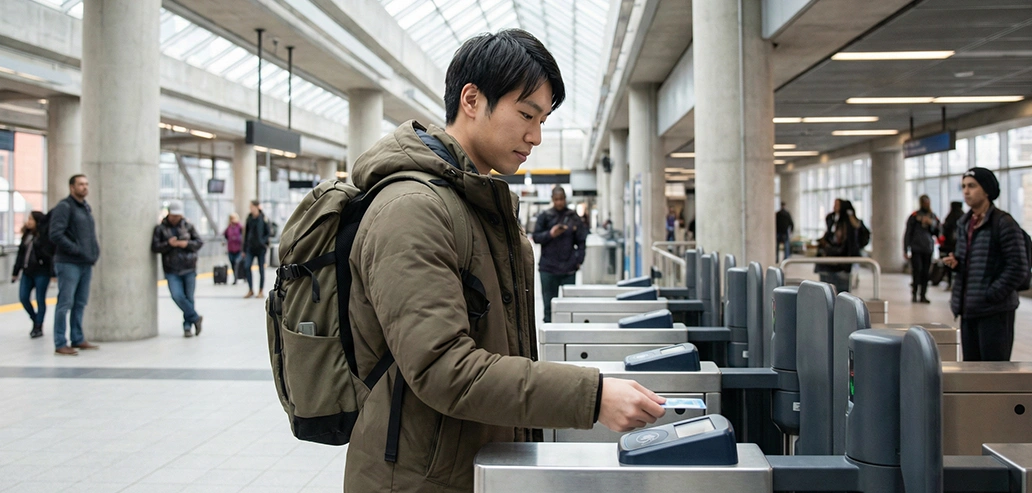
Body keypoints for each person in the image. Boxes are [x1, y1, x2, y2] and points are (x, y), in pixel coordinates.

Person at [344, 29, 665, 493]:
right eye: (526, 115)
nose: (536, 136)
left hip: (471, 463)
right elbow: (443, 368)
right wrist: (591, 397)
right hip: (418, 479)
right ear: (472, 100)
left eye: (543, 120)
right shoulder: (412, 209)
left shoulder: (474, 201)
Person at [942, 168, 1027, 362]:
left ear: (987, 190)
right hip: (968, 309)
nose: (966, 191)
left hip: (995, 312)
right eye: (964, 186)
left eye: (972, 186)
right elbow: (974, 261)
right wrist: (958, 264)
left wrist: (991, 294)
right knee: (972, 370)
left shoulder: (1004, 223)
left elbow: (1018, 267)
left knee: (993, 370)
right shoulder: (965, 223)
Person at [48, 174, 100, 355]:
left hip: (85, 263)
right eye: (81, 184)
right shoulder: (64, 207)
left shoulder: (85, 208)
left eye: (86, 184)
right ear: (72, 187)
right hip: (68, 263)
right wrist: (76, 250)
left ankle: (77, 338)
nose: (85, 187)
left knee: (80, 303)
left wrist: (94, 252)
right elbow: (55, 234)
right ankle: (60, 342)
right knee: (65, 303)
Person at [533, 186, 588, 323]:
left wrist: (578, 260)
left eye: (561, 199)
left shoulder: (573, 217)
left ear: (565, 199)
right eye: (556, 199)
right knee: (548, 308)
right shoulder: (545, 216)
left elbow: (581, 241)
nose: (559, 202)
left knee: (569, 307)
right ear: (552, 199)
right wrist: (551, 234)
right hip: (548, 268)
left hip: (568, 268)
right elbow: (536, 237)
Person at [151, 200, 204, 337]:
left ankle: (187, 327)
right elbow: (155, 247)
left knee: (189, 298)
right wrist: (169, 244)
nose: (176, 218)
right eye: (173, 215)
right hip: (171, 269)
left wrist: (186, 244)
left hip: (189, 267)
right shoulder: (160, 229)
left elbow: (199, 242)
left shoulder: (188, 226)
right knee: (177, 296)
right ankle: (195, 317)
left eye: (178, 215)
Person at [11, 211, 52, 338]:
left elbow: (49, 254)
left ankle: (38, 326)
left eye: (31, 219)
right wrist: (15, 272)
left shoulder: (45, 236)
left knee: (40, 299)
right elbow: (20, 255)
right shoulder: (26, 236)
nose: (28, 222)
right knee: (23, 297)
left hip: (42, 272)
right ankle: (35, 320)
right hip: (27, 272)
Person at [817, 199, 866, 293]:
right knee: (828, 282)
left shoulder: (849, 222)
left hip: (844, 257)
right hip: (831, 256)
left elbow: (856, 233)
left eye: (837, 204)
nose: (834, 207)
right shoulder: (832, 219)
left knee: (842, 284)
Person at [904, 195, 941, 303]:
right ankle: (914, 293)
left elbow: (938, 232)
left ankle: (923, 295)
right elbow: (908, 233)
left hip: (928, 248)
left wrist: (931, 224)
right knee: (917, 271)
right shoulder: (914, 216)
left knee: (926, 272)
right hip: (916, 248)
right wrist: (906, 249)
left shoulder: (933, 216)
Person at [242, 200, 271, 299]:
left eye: (252, 207)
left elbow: (268, 232)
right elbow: (246, 234)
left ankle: (261, 290)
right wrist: (244, 249)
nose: (250, 209)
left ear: (257, 207)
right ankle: (250, 289)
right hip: (250, 247)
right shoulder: (249, 218)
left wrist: (263, 242)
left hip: (261, 248)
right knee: (247, 266)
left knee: (261, 269)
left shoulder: (263, 218)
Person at [940, 201, 964, 289]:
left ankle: (950, 282)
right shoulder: (964, 218)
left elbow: (944, 230)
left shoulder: (949, 218)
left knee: (949, 265)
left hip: (949, 246)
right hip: (960, 246)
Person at [224, 213, 243, 285]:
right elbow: (225, 235)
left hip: (239, 249)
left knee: (237, 263)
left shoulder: (240, 227)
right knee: (232, 263)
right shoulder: (228, 228)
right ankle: (235, 277)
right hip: (231, 249)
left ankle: (238, 277)